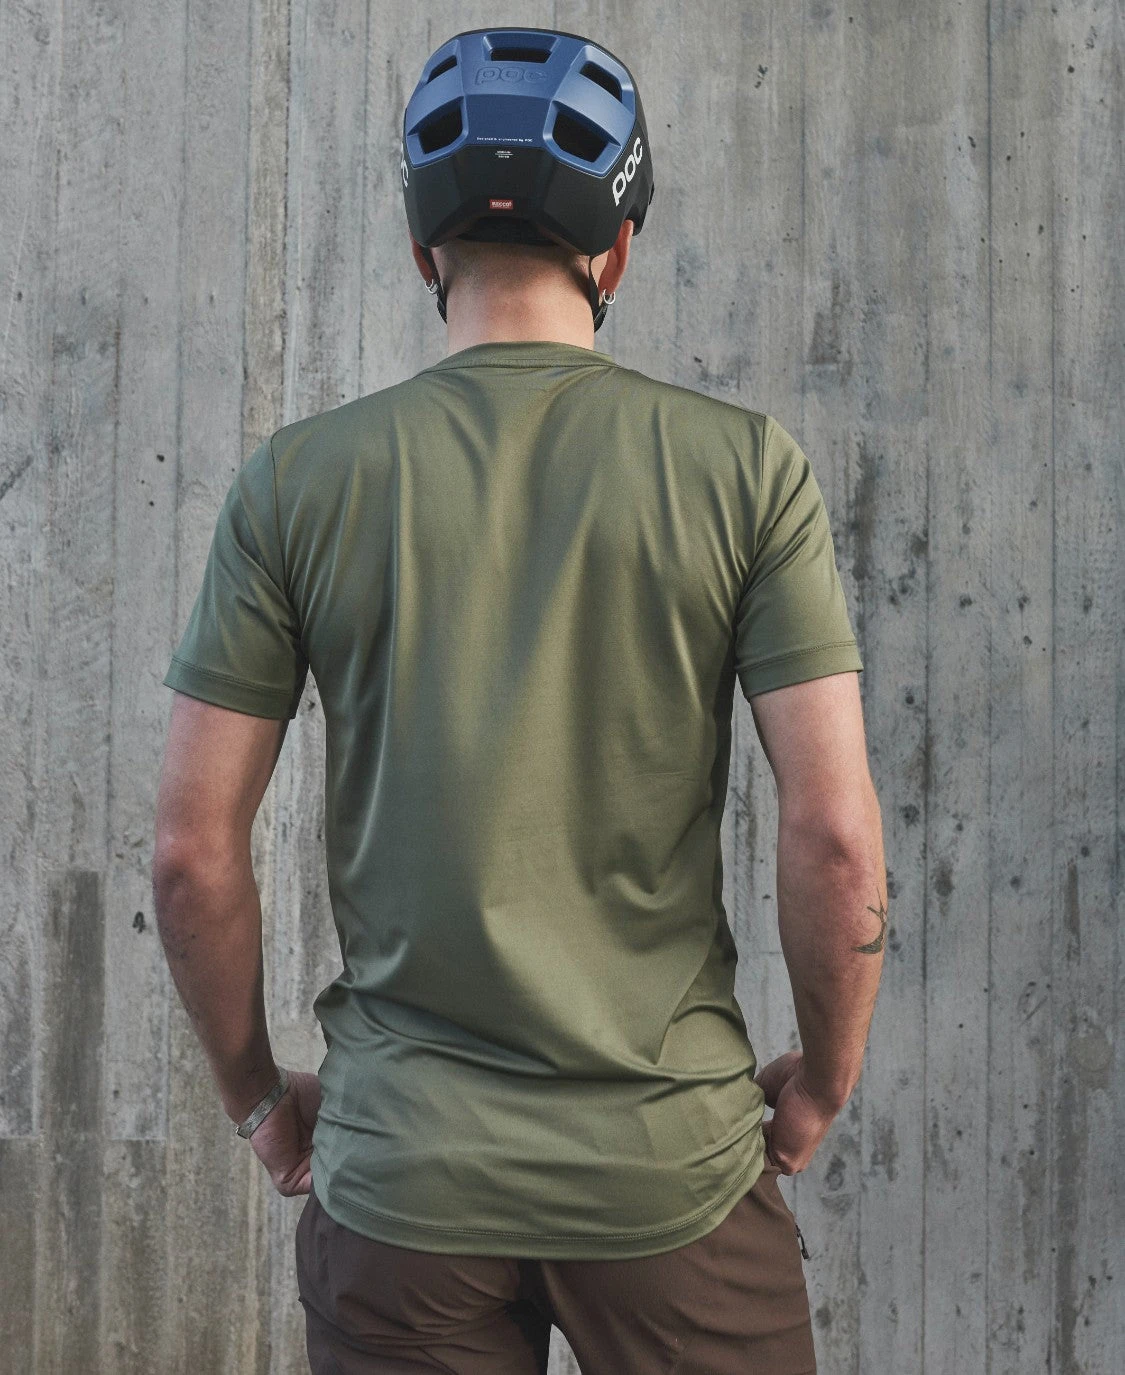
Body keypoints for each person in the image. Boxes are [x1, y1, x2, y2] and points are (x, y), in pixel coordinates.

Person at [152, 25, 887, 1375]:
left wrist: (259, 1101)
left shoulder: (295, 485)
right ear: (618, 251)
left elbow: (192, 853)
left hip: (402, 1181)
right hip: (669, 1172)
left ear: (420, 251)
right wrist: (826, 1080)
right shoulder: (746, 473)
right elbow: (836, 839)